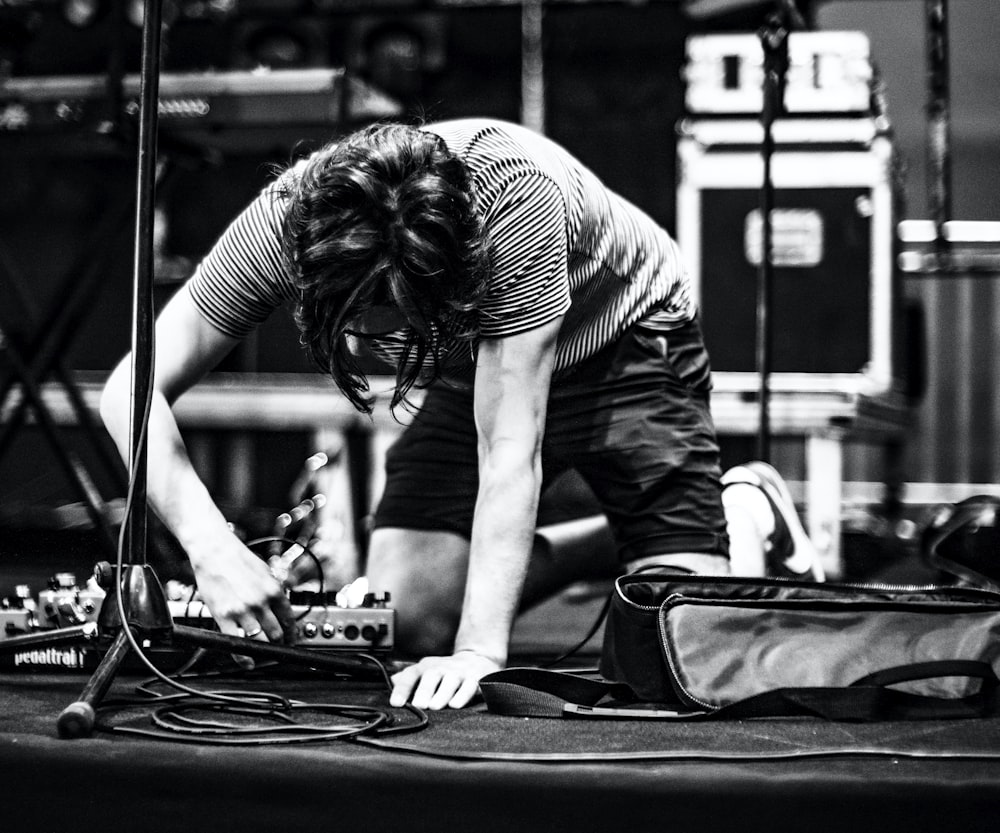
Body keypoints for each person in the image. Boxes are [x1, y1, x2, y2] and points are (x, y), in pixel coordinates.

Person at [100, 118, 821, 711]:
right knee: (411, 616)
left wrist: (480, 654)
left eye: (388, 315)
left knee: (677, 638)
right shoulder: (289, 222)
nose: (370, 335)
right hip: (475, 351)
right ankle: (613, 540)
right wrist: (210, 544)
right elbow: (130, 386)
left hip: (627, 342)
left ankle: (739, 508)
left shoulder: (514, 203)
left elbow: (511, 450)